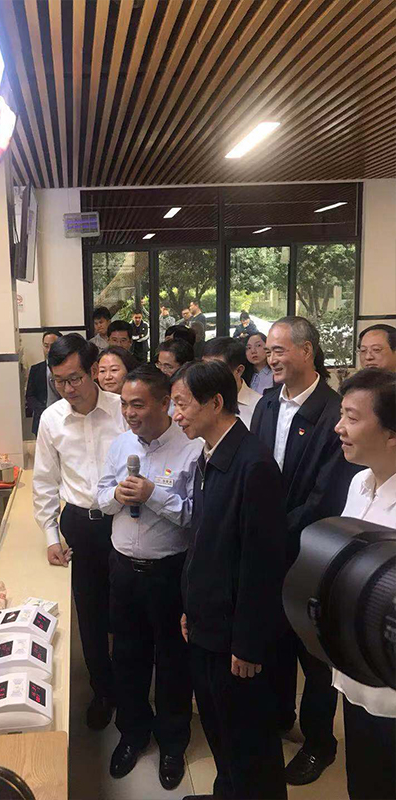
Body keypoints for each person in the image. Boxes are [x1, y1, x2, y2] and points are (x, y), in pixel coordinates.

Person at [251, 316, 362, 786]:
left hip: (312, 555)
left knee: (314, 656)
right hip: (270, 550)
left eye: (279, 350)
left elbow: (324, 497)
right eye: (268, 350)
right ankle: (280, 718)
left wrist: (272, 534)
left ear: (306, 351)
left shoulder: (334, 413)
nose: (270, 358)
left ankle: (320, 743)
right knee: (275, 643)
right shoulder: (266, 404)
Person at [172, 361, 287, 800]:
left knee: (248, 743)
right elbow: (203, 543)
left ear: (216, 402)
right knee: (220, 732)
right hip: (207, 624)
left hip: (236, 640)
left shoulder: (253, 465)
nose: (176, 415)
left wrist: (249, 644)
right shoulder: (209, 454)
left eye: (182, 404)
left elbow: (263, 565)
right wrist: (190, 607)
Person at [97, 365, 199, 790]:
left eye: (138, 405)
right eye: (124, 404)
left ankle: (173, 741)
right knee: (127, 656)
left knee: (173, 660)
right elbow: (100, 496)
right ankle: (133, 733)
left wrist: (152, 495)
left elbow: (195, 516)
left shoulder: (192, 448)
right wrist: (114, 496)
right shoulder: (120, 444)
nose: (129, 413)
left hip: (169, 572)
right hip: (123, 569)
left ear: (165, 403)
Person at [33, 334, 126, 730]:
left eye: (74, 378)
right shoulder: (52, 419)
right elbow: (44, 481)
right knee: (89, 615)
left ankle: (132, 686)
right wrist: (51, 536)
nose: (67, 389)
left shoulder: (122, 410)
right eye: (59, 381)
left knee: (126, 611)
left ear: (94, 371)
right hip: (80, 524)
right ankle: (103, 690)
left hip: (124, 521)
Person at [333, 368, 396, 800]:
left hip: (390, 681)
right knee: (362, 778)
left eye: (352, 418)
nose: (339, 427)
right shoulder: (359, 482)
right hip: (355, 665)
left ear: (391, 434)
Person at [203, 336, 260, 429]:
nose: (207, 374)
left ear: (238, 371)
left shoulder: (259, 407)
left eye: (215, 369)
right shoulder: (198, 400)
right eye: (203, 367)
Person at [25, 329, 62, 435]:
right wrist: (42, 410)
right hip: (42, 418)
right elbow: (30, 396)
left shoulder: (68, 369)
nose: (49, 350)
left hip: (63, 416)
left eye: (52, 346)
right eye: (46, 346)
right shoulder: (36, 369)